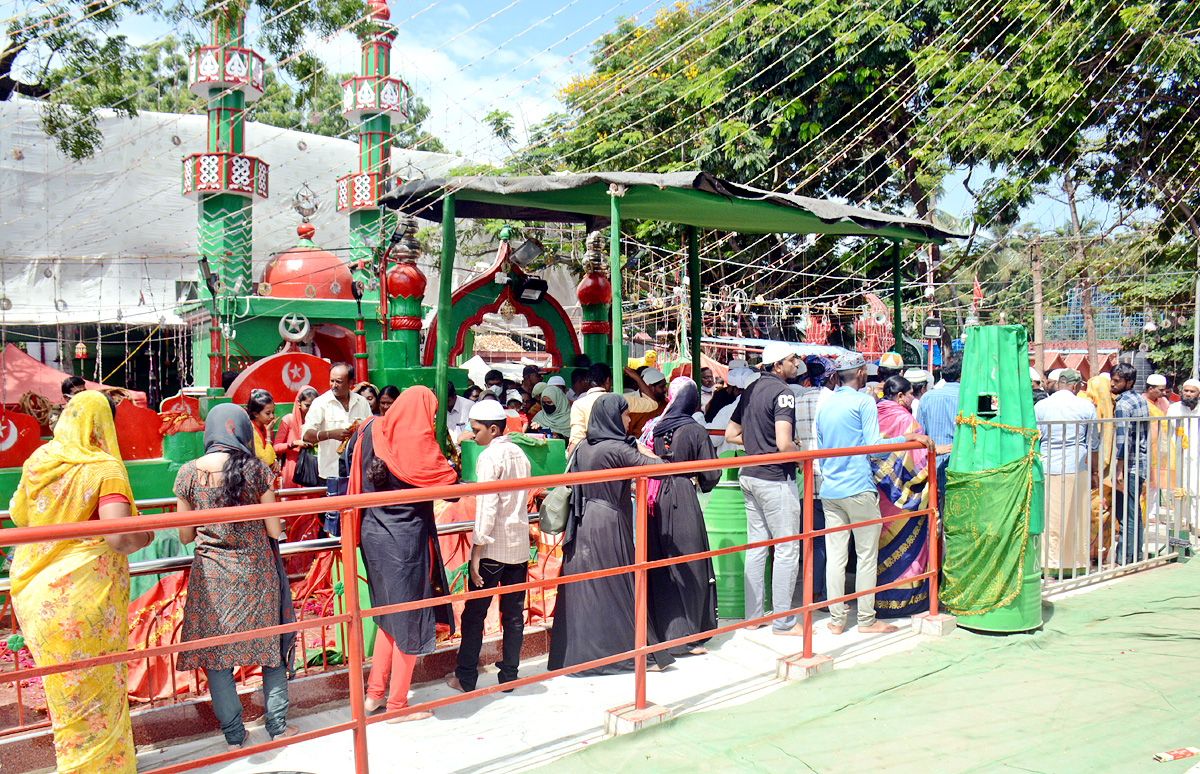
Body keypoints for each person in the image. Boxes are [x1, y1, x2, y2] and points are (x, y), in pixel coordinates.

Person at [9, 391, 152, 774]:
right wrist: (147, 535)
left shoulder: (40, 460)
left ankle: (77, 764)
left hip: (37, 589)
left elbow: (18, 512)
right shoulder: (103, 468)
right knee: (98, 686)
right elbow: (120, 536)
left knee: (65, 692)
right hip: (82, 594)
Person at [175, 404, 296, 750]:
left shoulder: (187, 474)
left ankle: (234, 736)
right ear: (242, 430)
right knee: (269, 650)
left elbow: (185, 535)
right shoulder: (256, 470)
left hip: (212, 578)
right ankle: (277, 727)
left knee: (217, 659)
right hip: (257, 574)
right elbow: (274, 529)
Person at [347, 386, 458, 721]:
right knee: (409, 619)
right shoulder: (418, 443)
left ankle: (375, 696)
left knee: (388, 616)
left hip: (372, 536)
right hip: (404, 544)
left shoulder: (370, 429)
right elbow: (450, 487)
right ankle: (397, 706)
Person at [548, 394, 676, 674]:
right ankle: (633, 655)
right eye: (625, 414)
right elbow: (660, 470)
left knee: (590, 590)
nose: (629, 419)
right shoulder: (616, 450)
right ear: (612, 418)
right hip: (608, 523)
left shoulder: (583, 446)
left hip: (583, 523)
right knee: (619, 587)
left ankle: (582, 657)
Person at [816, 355, 930, 635]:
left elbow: (820, 449)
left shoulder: (826, 404)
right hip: (858, 488)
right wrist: (906, 439)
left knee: (836, 557)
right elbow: (875, 448)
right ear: (860, 373)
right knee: (866, 556)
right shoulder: (863, 401)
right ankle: (866, 620)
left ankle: (836, 620)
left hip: (830, 490)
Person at [448, 400, 532, 694]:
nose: (472, 435)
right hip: (519, 546)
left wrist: (475, 550)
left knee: (474, 614)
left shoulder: (488, 457)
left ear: (493, 429)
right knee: (513, 615)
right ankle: (509, 675)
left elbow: (487, 507)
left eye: (476, 430)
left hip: (493, 547)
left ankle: (466, 675)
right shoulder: (520, 454)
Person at [725, 341, 805, 636]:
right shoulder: (784, 394)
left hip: (749, 475)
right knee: (786, 549)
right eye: (792, 360)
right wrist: (798, 453)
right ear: (778, 365)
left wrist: (757, 445)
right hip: (774, 478)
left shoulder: (750, 390)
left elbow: (731, 434)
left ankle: (754, 616)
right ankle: (783, 621)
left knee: (758, 547)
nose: (797, 364)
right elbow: (784, 444)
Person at [646, 379, 720, 656]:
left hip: (656, 496)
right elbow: (711, 474)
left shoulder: (657, 427)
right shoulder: (694, 429)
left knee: (665, 565)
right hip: (682, 496)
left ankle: (668, 633)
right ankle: (689, 635)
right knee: (691, 565)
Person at [871, 376, 936, 615]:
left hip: (878, 490)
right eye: (910, 394)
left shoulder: (874, 413)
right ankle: (906, 600)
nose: (913, 398)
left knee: (878, 544)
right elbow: (917, 461)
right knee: (907, 547)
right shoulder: (906, 420)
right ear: (900, 396)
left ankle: (879, 599)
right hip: (902, 497)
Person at [1035, 369, 1099, 577]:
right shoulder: (1086, 406)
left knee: (1048, 516)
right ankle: (1074, 564)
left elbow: (1034, 438)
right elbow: (1094, 443)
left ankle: (1046, 564)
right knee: (1074, 516)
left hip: (1046, 466)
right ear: (1076, 385)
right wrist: (1095, 472)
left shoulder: (1041, 406)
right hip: (1075, 465)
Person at [790, 359, 827, 601]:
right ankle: (825, 595)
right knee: (831, 540)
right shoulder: (830, 400)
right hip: (829, 478)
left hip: (805, 480)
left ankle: (811, 591)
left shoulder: (795, 402)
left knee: (811, 540)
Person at [301, 363, 373, 481]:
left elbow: (371, 431)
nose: (334, 385)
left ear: (350, 383)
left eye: (338, 382)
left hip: (358, 471)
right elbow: (306, 435)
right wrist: (330, 434)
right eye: (332, 381)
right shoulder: (320, 403)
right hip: (331, 473)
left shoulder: (362, 402)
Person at [1111, 362, 1150, 564]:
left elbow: (1122, 439)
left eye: (1117, 381)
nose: (1112, 384)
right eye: (1112, 379)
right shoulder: (1139, 400)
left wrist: (1119, 470)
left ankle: (1125, 557)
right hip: (1140, 462)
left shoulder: (1123, 405)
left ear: (1129, 382)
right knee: (1135, 513)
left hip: (1129, 466)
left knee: (1125, 514)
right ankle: (1135, 554)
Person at [915, 353, 962, 515]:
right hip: (959, 472)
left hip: (932, 470)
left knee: (933, 523)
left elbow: (919, 435)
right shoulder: (967, 399)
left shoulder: (927, 398)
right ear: (962, 375)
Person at [1167, 379, 1200, 529]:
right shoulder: (1174, 409)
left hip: (1197, 456)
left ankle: (1196, 524)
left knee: (1196, 491)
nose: (1188, 394)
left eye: (1192, 391)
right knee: (1180, 490)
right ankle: (1183, 522)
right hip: (1179, 456)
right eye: (1185, 391)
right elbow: (1167, 433)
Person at [274, 386, 318, 489]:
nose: (310, 410)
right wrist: (294, 443)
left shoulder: (318, 422)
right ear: (299, 403)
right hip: (292, 469)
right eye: (307, 405)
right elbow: (276, 448)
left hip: (312, 469)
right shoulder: (288, 420)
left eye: (314, 406)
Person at [569, 362, 613, 450]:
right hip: (614, 453)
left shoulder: (578, 404)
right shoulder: (617, 400)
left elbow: (576, 439)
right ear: (607, 381)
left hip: (588, 454)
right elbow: (649, 402)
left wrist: (570, 462)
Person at [246, 388, 279, 473]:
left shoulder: (265, 426)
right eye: (268, 413)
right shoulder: (251, 430)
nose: (272, 416)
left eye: (273, 412)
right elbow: (266, 460)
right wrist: (268, 435)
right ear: (256, 414)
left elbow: (271, 455)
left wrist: (275, 460)